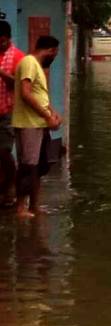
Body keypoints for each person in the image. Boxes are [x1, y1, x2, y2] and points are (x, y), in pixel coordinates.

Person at [12, 35, 61, 218]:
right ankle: (20, 207)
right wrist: (46, 115)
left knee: (40, 167)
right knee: (28, 166)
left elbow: (39, 95)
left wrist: (52, 113)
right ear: (50, 50)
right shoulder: (29, 62)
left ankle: (34, 205)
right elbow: (26, 94)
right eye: (55, 53)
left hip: (39, 123)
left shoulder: (36, 66)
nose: (54, 56)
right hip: (29, 123)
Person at [0, 21, 24, 209]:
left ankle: (10, 189)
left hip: (7, 112)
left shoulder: (18, 57)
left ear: (8, 38)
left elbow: (20, 85)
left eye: (1, 41)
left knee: (4, 151)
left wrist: (1, 73)